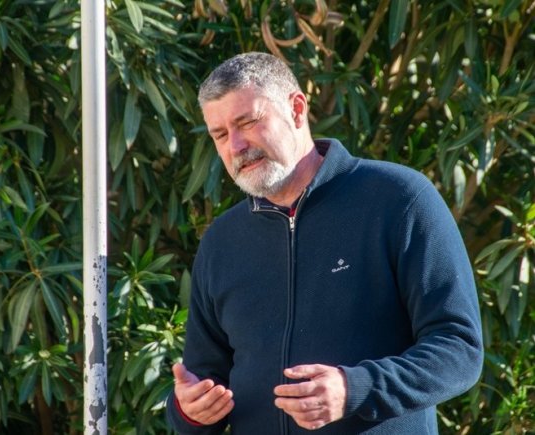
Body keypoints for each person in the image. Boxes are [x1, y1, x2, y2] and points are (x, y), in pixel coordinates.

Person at [166, 52, 483, 434]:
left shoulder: (399, 199)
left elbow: (459, 348)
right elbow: (204, 380)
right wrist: (189, 411)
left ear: (297, 109)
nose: (235, 145)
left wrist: (355, 389)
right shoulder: (222, 241)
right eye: (219, 135)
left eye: (247, 122)